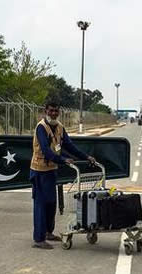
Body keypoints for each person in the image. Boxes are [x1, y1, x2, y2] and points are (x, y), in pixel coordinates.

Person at [30, 101, 96, 249]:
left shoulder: (60, 127)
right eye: (51, 111)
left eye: (56, 111)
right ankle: (38, 239)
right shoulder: (41, 127)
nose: (53, 113)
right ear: (45, 111)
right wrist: (63, 160)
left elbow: (69, 145)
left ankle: (48, 232)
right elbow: (46, 150)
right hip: (39, 171)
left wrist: (86, 156)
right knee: (40, 204)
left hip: (51, 170)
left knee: (51, 203)